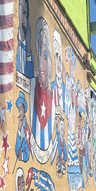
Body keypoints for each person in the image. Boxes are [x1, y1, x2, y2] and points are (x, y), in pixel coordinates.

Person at [30, 17, 54, 153]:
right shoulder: (33, 84)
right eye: (38, 53)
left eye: (45, 55)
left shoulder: (53, 95)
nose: (40, 62)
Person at [16, 0, 34, 78]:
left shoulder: (29, 52)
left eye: (26, 15)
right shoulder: (13, 40)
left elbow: (31, 78)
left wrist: (29, 49)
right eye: (22, 12)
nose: (24, 19)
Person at [15, 91, 32, 162]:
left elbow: (26, 155)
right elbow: (16, 149)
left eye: (21, 109)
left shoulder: (27, 128)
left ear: (24, 110)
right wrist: (19, 130)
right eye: (19, 109)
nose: (19, 112)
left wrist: (21, 155)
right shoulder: (19, 124)